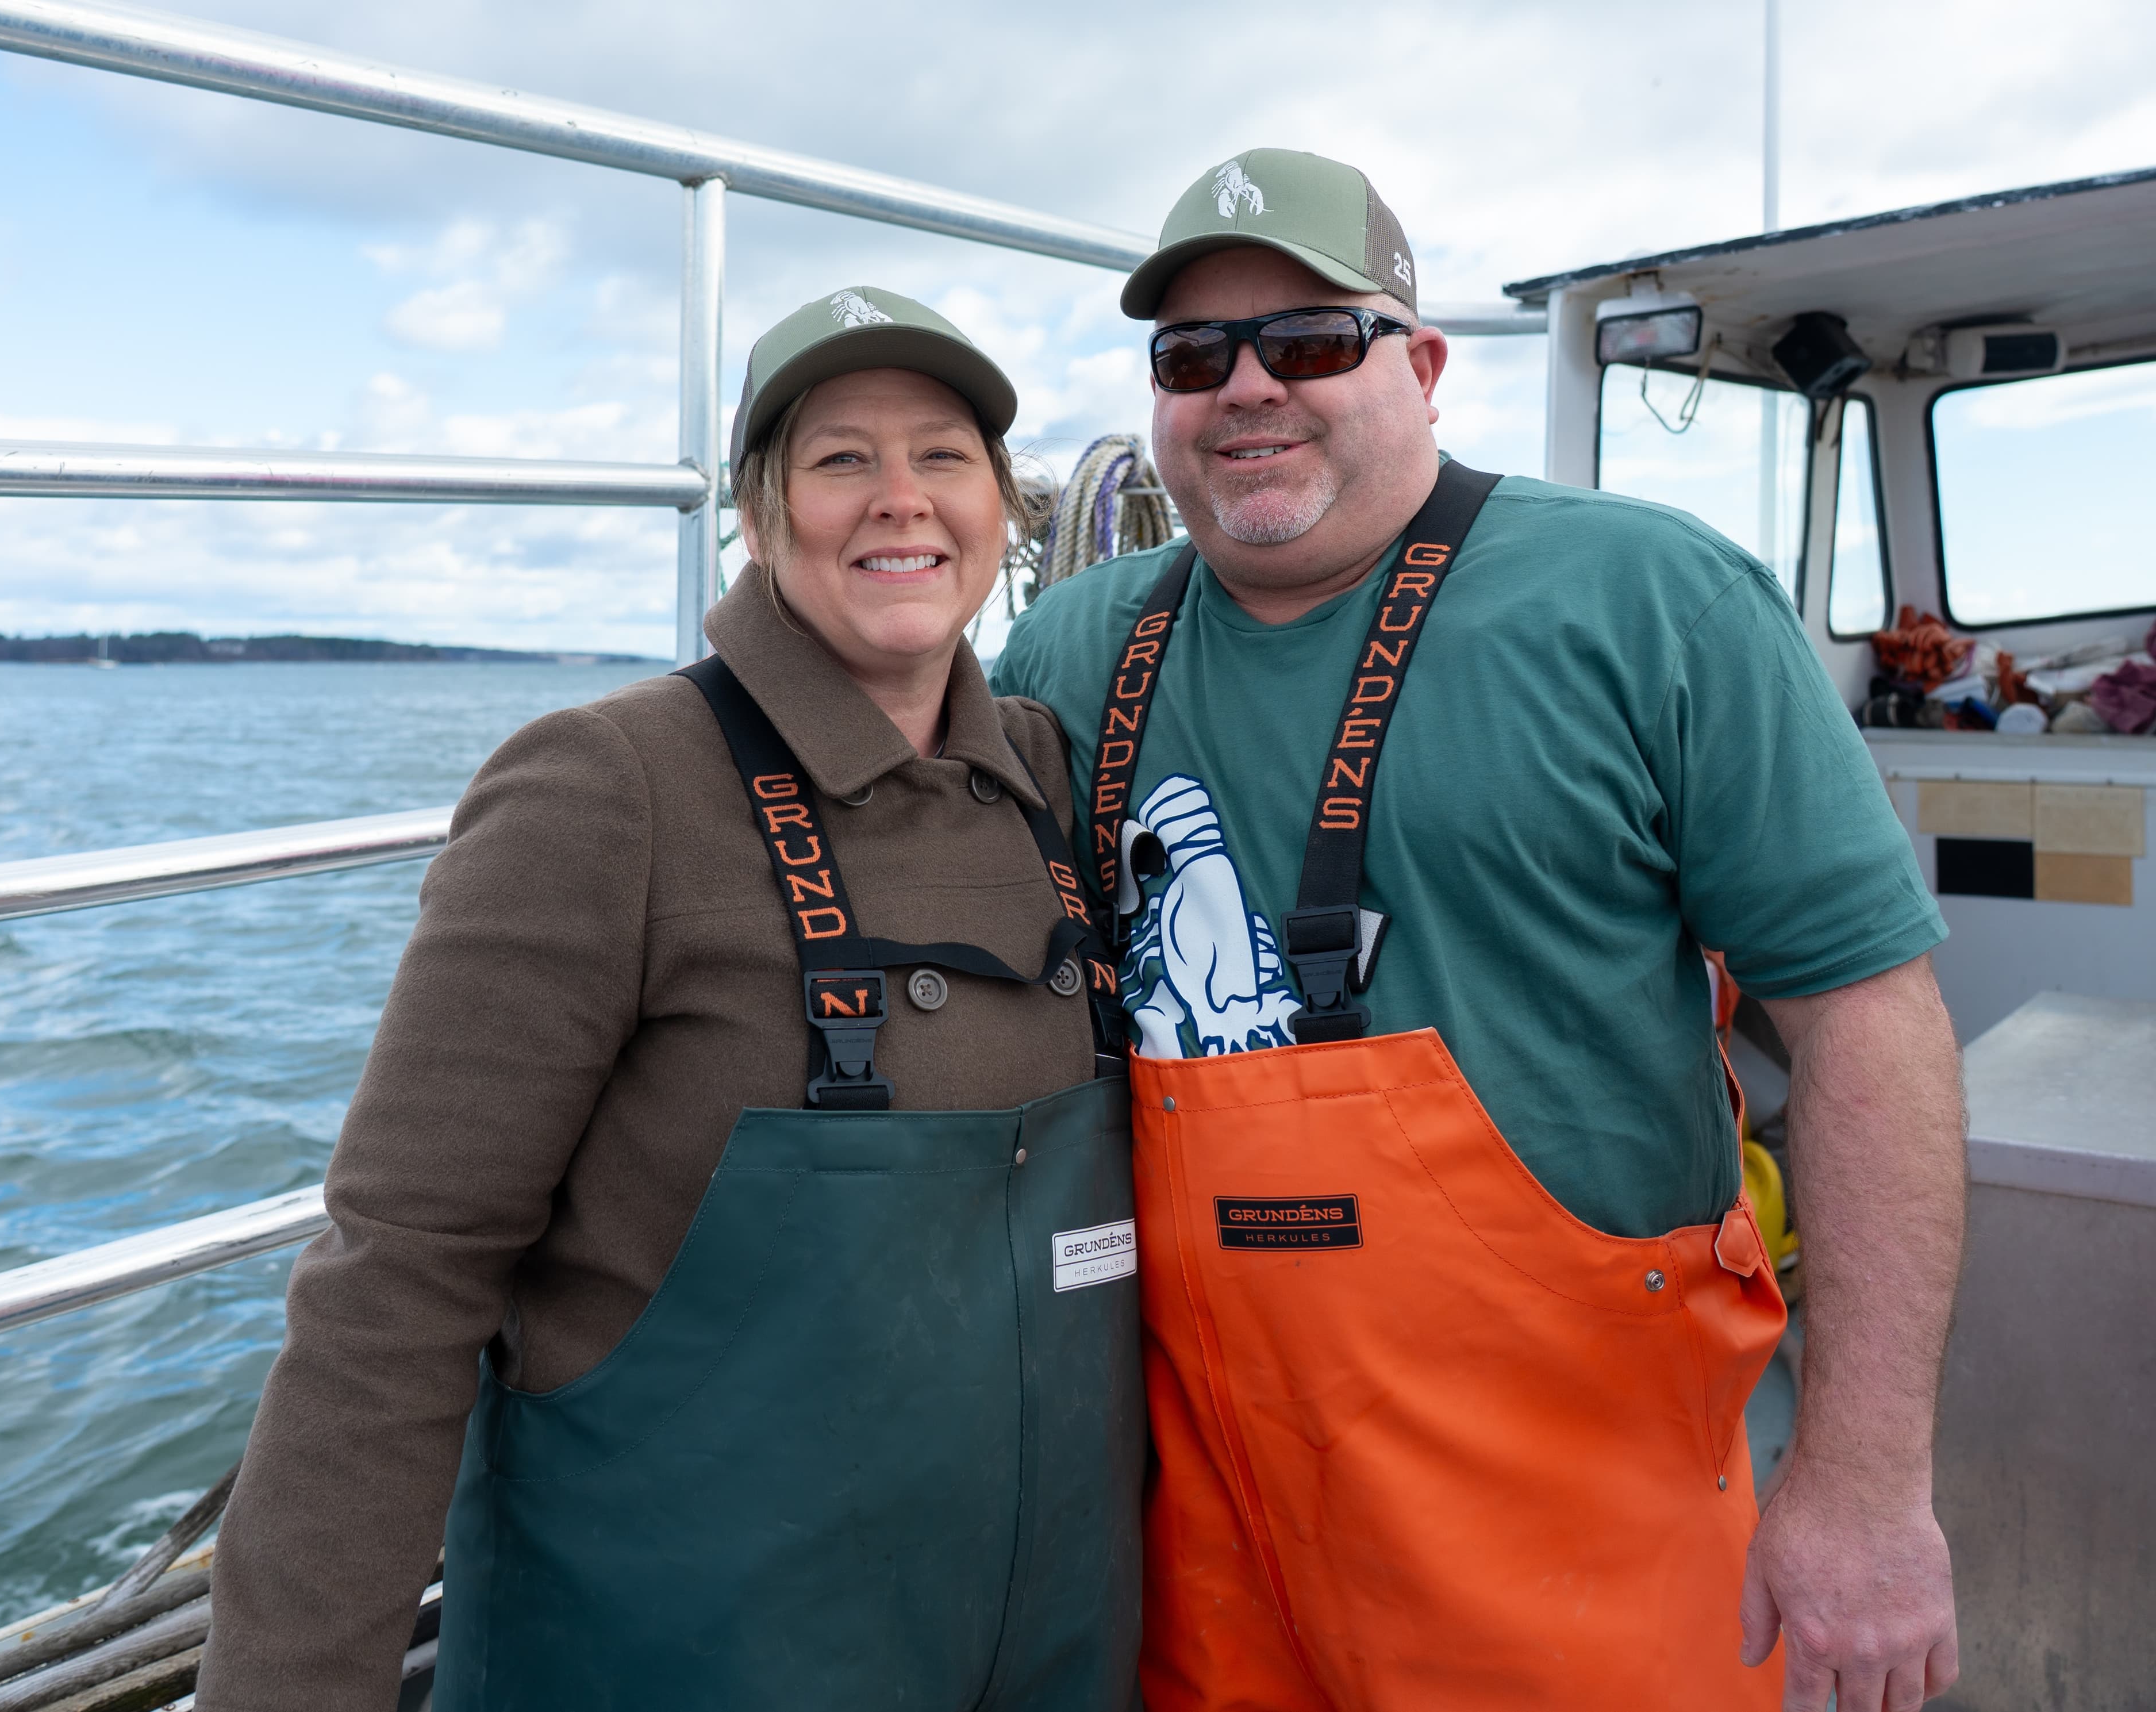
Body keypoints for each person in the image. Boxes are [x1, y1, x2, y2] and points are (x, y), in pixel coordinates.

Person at [991, 148, 1964, 1712]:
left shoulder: (1655, 604)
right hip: (1199, 1531)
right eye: (1192, 356)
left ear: (1425, 365)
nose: (1247, 387)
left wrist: (1863, 1484)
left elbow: (1868, 1019)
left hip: (1575, 1527)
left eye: (1308, 340)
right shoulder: (1072, 642)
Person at [201, 286, 1144, 1712]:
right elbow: (399, 1280)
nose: (901, 500)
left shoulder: (1048, 774)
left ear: (1006, 510)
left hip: (1053, 1644)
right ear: (760, 520)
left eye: (943, 456)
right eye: (839, 460)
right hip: (682, 1654)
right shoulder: (607, 786)